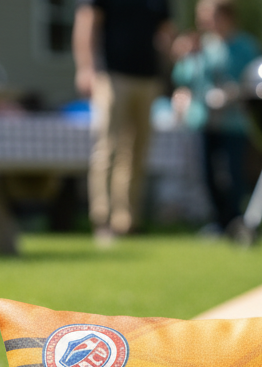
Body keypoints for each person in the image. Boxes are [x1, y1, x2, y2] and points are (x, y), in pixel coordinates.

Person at [73, 0, 174, 242]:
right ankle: (102, 218)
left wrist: (174, 55)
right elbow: (87, 21)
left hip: (148, 78)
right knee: (108, 148)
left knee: (137, 152)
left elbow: (165, 33)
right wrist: (85, 68)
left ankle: (127, 220)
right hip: (113, 75)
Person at [171, 0, 260, 235]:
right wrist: (183, 56)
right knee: (208, 173)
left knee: (232, 174)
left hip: (234, 121)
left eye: (208, 16)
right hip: (205, 119)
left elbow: (254, 80)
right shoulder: (201, 46)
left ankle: (235, 219)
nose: (203, 22)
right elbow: (183, 77)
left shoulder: (245, 46)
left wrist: (233, 93)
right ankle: (219, 221)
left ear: (226, 17)